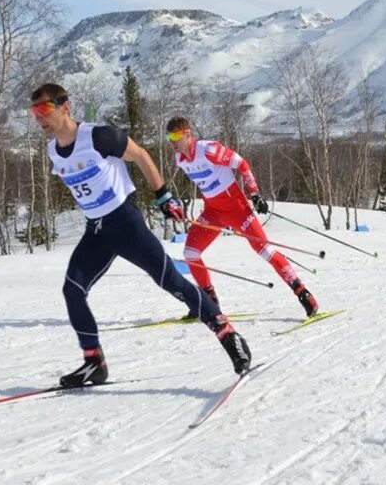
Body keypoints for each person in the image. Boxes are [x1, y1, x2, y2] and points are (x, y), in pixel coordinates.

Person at [30, 84, 252, 386]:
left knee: (170, 281)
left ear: (65, 107)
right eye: (34, 112)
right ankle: (94, 362)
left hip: (125, 223)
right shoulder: (53, 150)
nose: (39, 117)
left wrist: (162, 195)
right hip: (95, 230)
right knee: (72, 289)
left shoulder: (97, 136)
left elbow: (140, 155)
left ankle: (229, 335)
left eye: (44, 109)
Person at [165, 117, 319, 318]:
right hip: (213, 212)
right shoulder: (180, 160)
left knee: (264, 250)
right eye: (169, 137)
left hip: (237, 209)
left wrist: (254, 193)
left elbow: (241, 164)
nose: (172, 142)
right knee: (191, 253)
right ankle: (209, 302)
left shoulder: (208, 150)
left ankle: (302, 293)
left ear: (188, 134)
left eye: (176, 136)